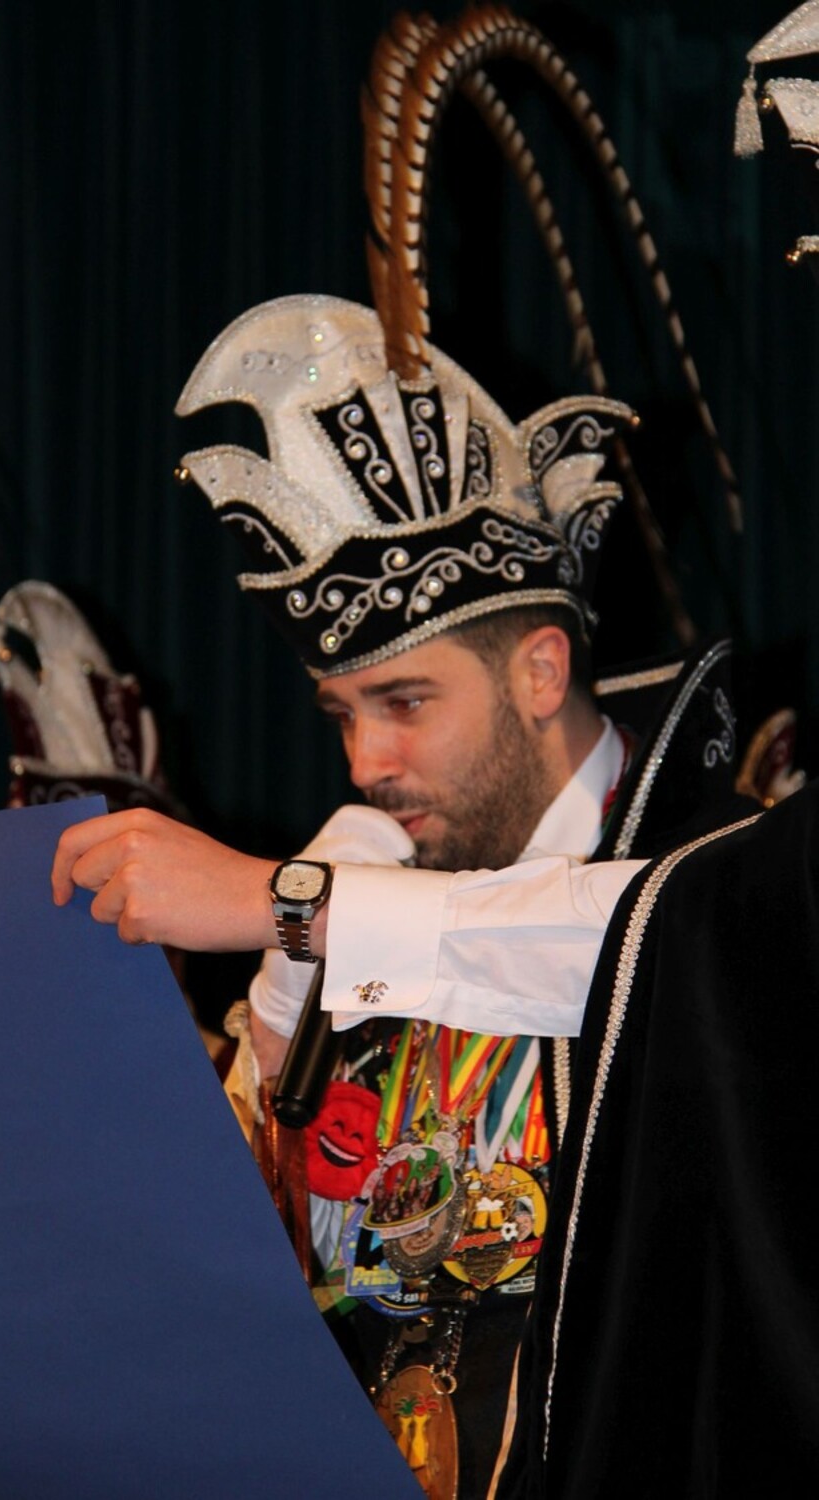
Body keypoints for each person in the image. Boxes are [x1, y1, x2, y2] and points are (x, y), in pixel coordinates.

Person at [51, 294, 749, 1498]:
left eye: (406, 704)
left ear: (540, 671)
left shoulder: (719, 869)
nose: (365, 761)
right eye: (342, 715)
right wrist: (282, 1021)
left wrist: (289, 904)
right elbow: (254, 1288)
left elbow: (634, 945)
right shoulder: (372, 898)